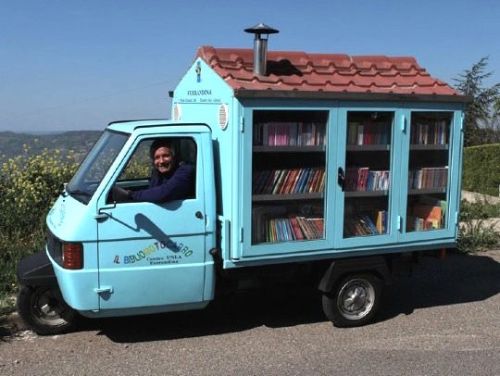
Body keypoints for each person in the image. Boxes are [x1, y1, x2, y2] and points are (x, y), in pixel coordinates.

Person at [113, 139, 194, 203]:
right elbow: (152, 191)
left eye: (166, 156)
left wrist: (130, 195)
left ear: (174, 157)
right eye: (157, 157)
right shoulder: (158, 172)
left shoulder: (185, 171)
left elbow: (164, 193)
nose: (161, 161)